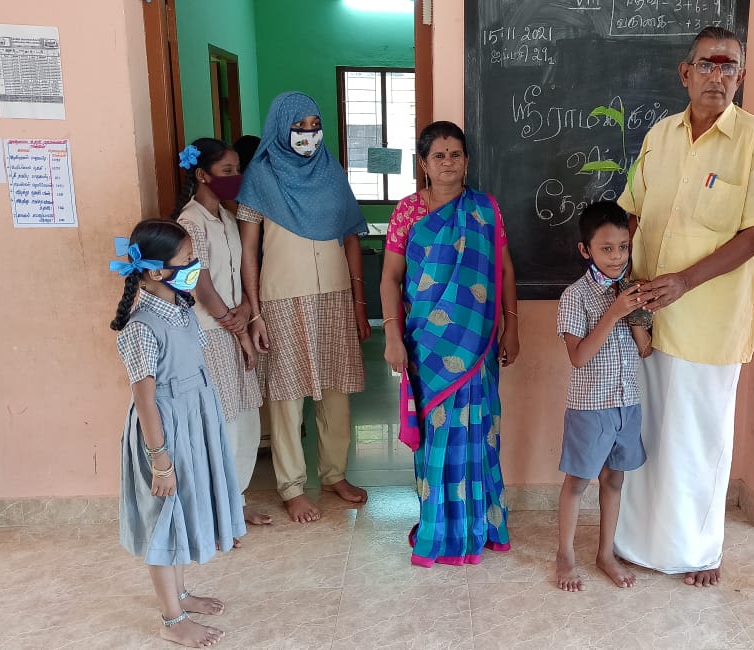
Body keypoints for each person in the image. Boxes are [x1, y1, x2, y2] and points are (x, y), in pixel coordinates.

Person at [614, 25, 754, 586]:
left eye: (729, 66)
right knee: (646, 435)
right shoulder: (660, 135)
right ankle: (635, 542)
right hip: (647, 318)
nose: (718, 75)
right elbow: (632, 211)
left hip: (709, 322)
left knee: (697, 442)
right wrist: (621, 279)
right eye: (707, 65)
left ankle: (698, 551)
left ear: (740, 76)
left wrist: (685, 281)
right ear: (685, 73)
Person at [379, 120, 520, 567]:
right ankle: (438, 526)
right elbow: (390, 277)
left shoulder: (485, 209)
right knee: (437, 435)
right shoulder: (407, 213)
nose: (447, 162)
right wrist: (392, 335)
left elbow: (504, 269)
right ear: (423, 164)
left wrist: (511, 325)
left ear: (467, 161)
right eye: (438, 155)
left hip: (477, 342)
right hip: (427, 346)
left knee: (477, 434)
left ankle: (477, 526)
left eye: (455, 154)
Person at [236, 92, 371, 523]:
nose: (309, 135)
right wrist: (254, 312)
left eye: (315, 126)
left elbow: (351, 236)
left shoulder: (331, 171)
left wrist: (358, 302)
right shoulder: (260, 177)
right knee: (287, 395)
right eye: (300, 127)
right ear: (281, 127)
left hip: (333, 295)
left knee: (337, 389)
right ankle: (291, 486)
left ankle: (334, 474)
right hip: (281, 298)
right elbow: (248, 252)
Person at [109, 219, 246, 648]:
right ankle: (172, 620)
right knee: (164, 522)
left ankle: (182, 595)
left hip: (193, 421)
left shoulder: (182, 309)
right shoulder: (141, 327)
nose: (195, 266)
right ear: (154, 271)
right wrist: (161, 460)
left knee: (182, 513)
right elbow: (146, 401)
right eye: (186, 260)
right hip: (164, 433)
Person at [172, 138, 271, 535]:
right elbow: (202, 284)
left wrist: (247, 313)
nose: (236, 178)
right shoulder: (190, 222)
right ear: (202, 175)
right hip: (211, 334)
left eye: (236, 171)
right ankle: (216, 512)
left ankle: (237, 500)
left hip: (233, 328)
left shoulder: (227, 219)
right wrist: (236, 324)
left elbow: (242, 270)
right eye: (227, 172)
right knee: (222, 423)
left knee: (245, 421)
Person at [554, 201, 653, 592]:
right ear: (586, 250)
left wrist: (637, 316)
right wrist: (612, 313)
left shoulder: (632, 290)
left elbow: (644, 350)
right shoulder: (575, 297)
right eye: (606, 248)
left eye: (623, 247)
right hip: (590, 407)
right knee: (578, 482)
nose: (617, 257)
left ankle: (605, 553)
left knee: (614, 480)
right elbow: (578, 358)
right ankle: (565, 555)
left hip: (627, 402)